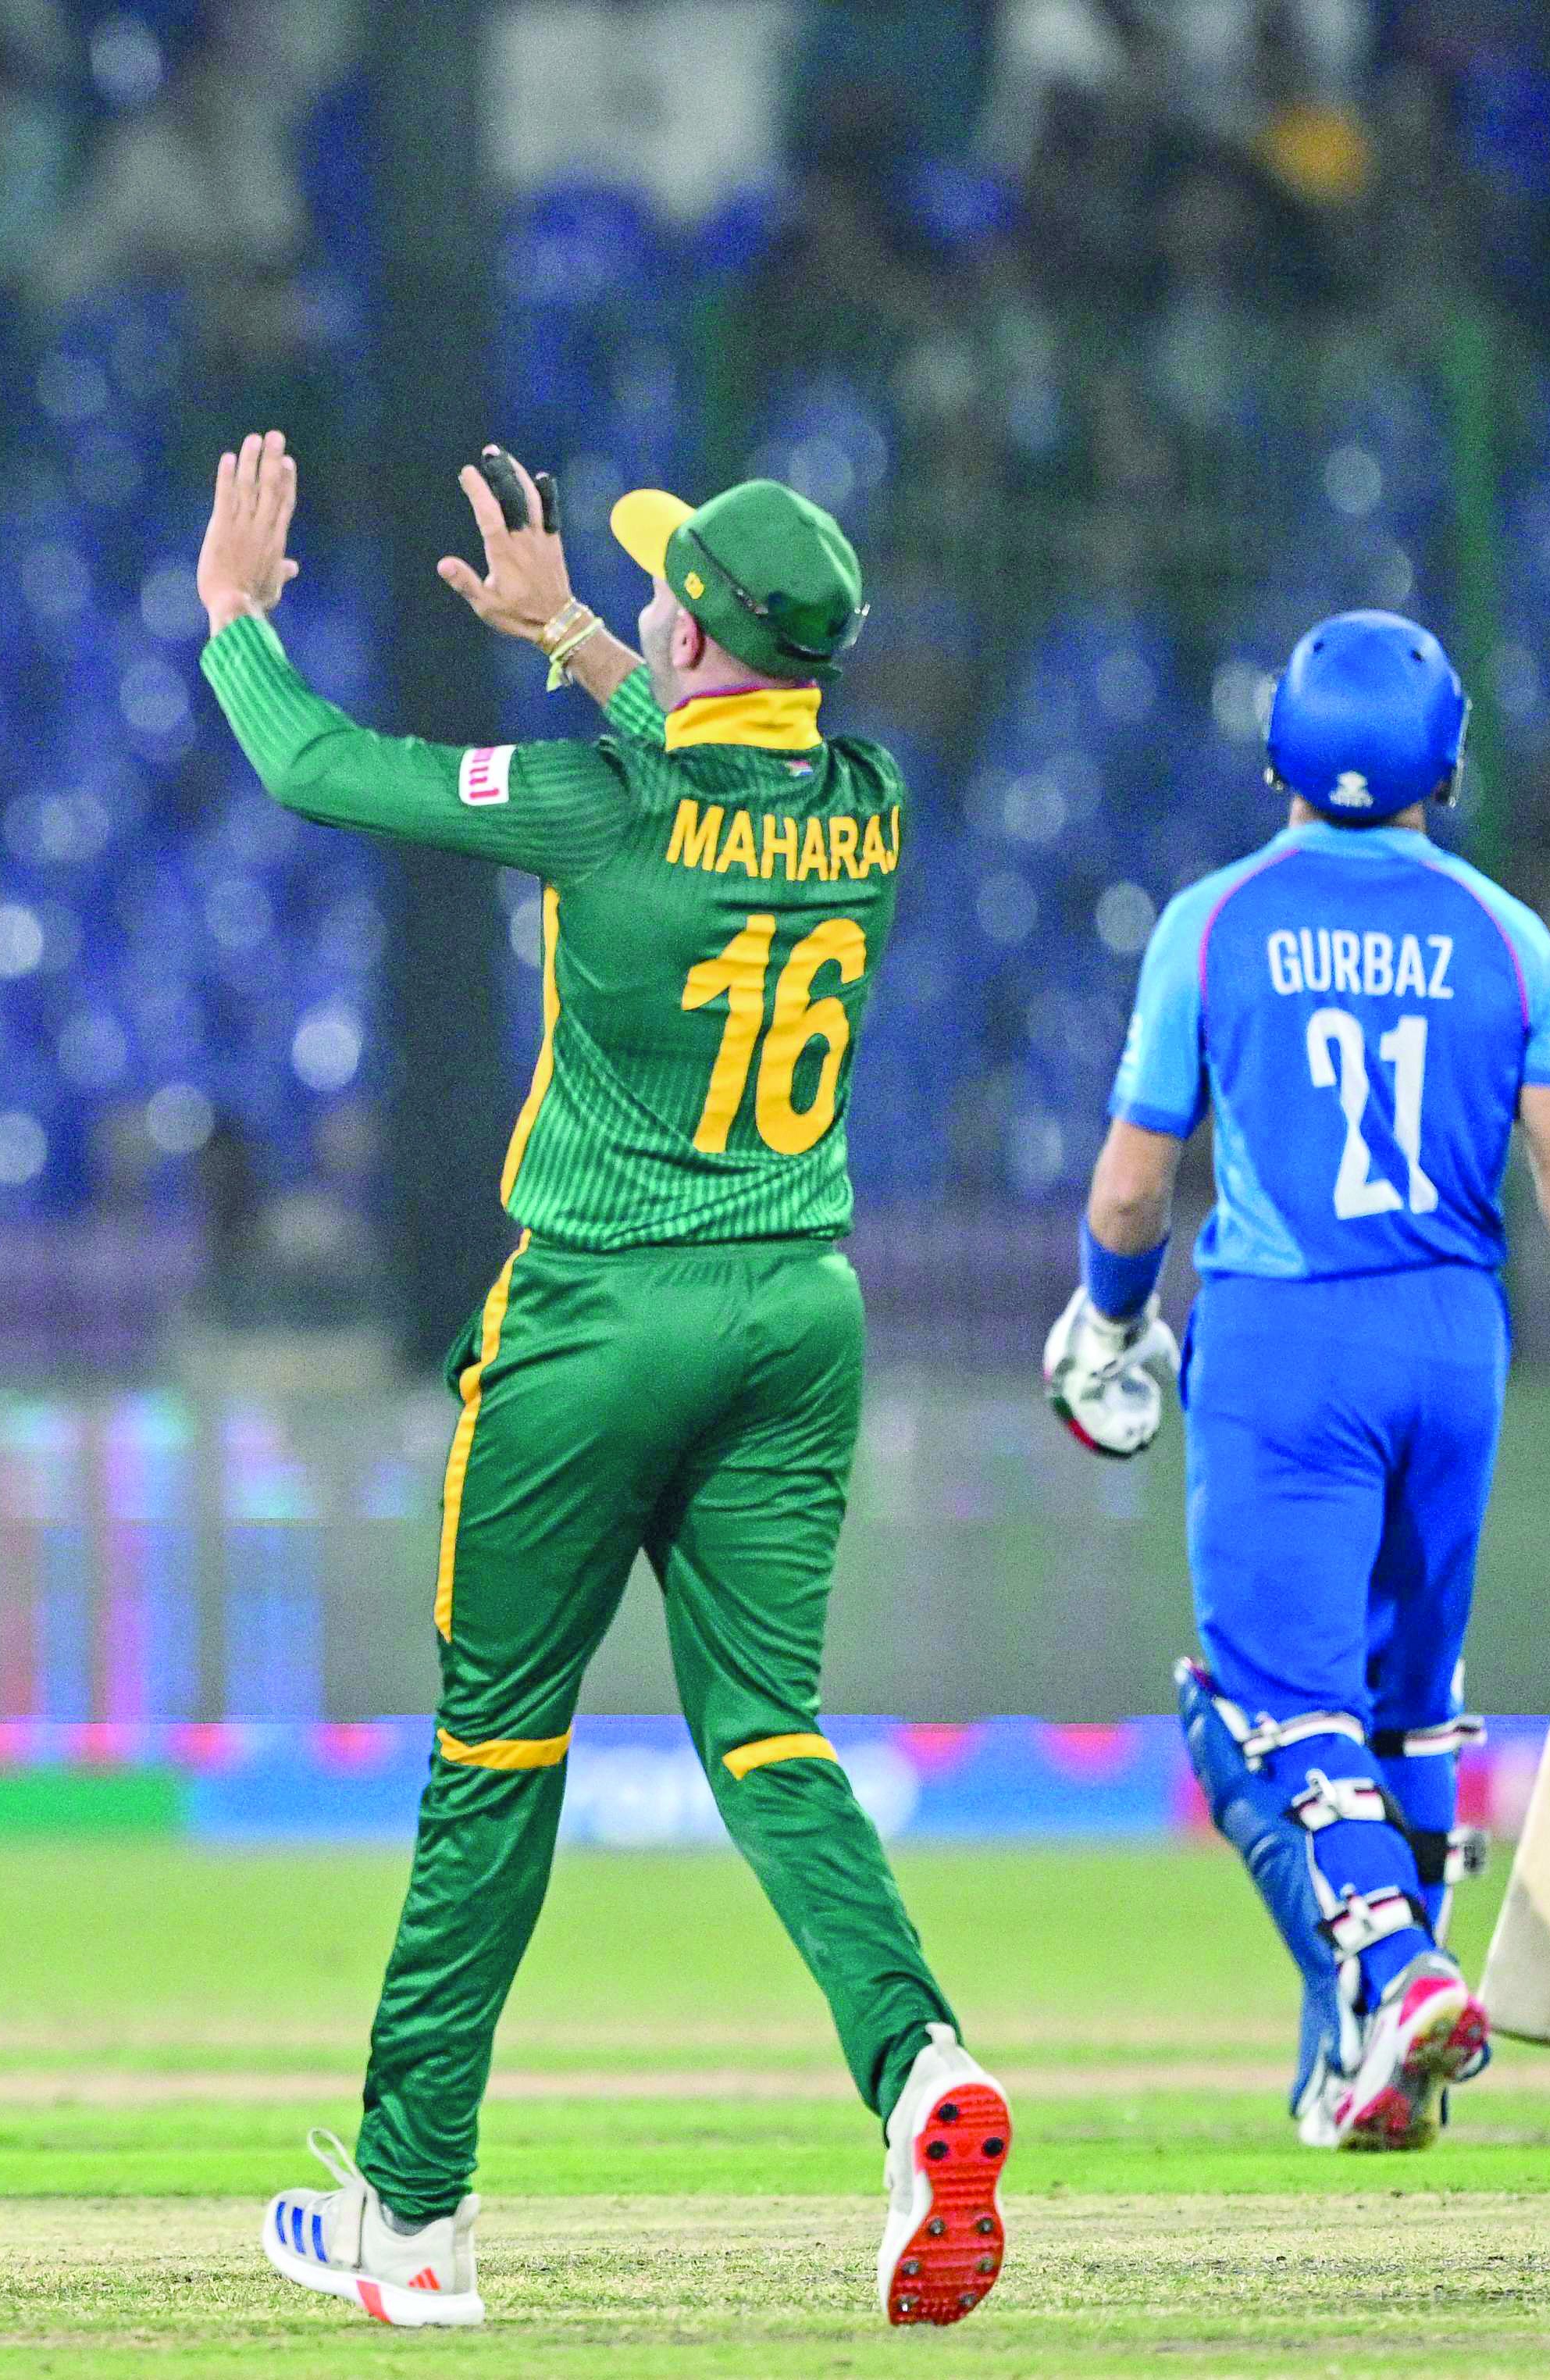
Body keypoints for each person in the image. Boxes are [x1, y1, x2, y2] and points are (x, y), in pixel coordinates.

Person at [196, 434, 1010, 2331]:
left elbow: (322, 768)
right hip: (798, 1315)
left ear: (693, 627)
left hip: (593, 1319)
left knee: (493, 1756)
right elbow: (717, 738)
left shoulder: (595, 805)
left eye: (659, 588)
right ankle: (917, 2074)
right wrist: (567, 624)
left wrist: (235, 620)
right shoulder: (873, 803)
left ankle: (411, 2225)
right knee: (769, 1735)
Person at [1046, 610, 1550, 2150]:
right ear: (1446, 761)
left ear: (1276, 749)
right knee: (1405, 1707)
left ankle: (1395, 1959)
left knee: (1266, 1698)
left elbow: (1123, 1194)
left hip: (1284, 1334)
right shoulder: (1505, 936)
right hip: (1450, 1337)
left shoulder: (1212, 925)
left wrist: (1102, 1326)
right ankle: (1370, 2057)